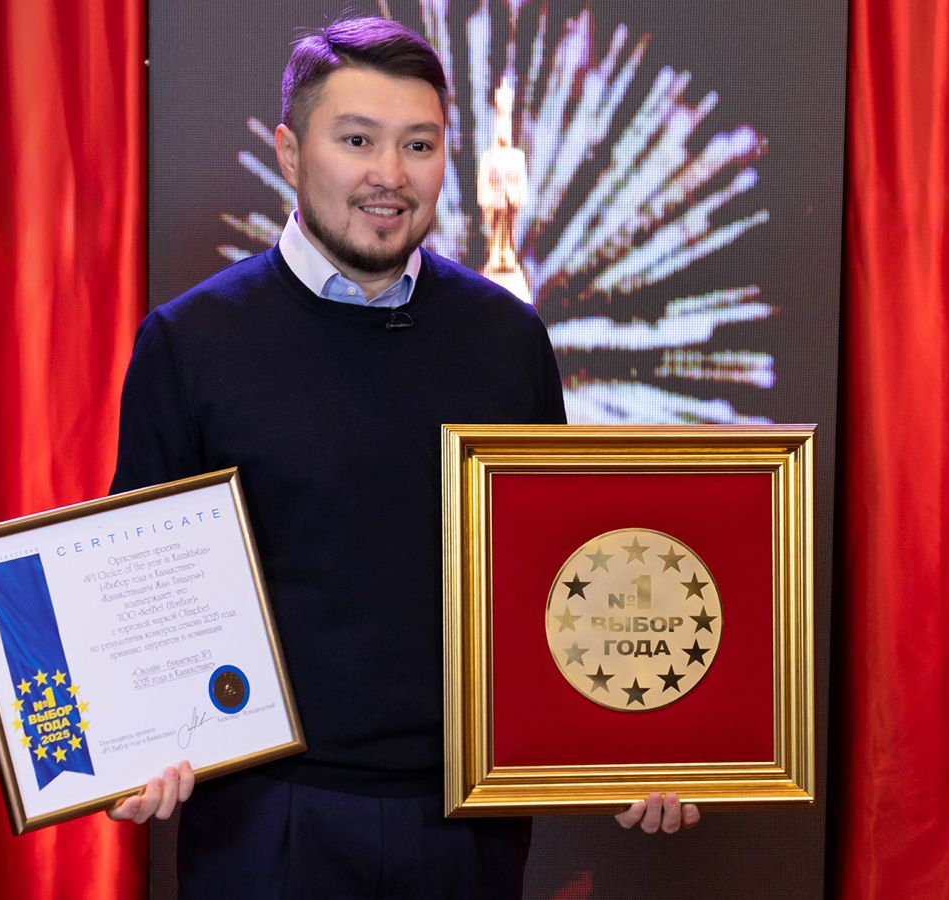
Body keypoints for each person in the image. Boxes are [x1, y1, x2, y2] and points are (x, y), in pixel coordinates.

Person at [105, 17, 698, 898]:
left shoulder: (506, 338)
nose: (390, 174)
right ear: (290, 153)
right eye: (357, 141)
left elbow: (555, 571)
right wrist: (135, 735)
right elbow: (136, 587)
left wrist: (630, 735)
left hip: (465, 817)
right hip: (262, 816)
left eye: (419, 144)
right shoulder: (189, 342)